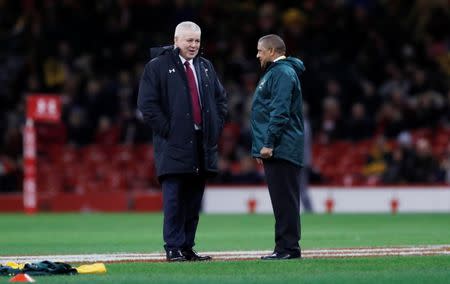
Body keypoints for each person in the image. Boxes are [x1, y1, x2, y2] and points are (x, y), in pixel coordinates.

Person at [137, 21, 227, 262]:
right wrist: (170, 131)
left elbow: (221, 100)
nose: (193, 45)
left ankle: (187, 247)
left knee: (193, 200)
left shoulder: (206, 66)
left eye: (197, 40)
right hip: (173, 145)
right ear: (175, 40)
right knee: (174, 199)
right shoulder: (157, 66)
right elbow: (147, 104)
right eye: (189, 40)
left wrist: (214, 128)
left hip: (201, 143)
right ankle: (173, 247)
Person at [251, 34, 305, 260]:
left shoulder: (281, 73)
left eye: (260, 51)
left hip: (281, 147)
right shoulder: (279, 72)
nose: (257, 55)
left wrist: (268, 143)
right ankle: (286, 247)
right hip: (281, 147)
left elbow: (279, 111)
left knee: (284, 201)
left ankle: (288, 249)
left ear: (272, 51)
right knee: (283, 201)